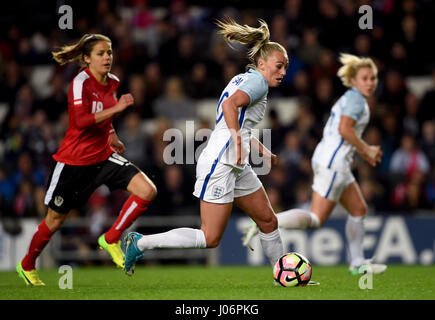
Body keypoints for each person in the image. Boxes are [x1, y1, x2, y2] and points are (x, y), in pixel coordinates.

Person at [124, 18, 288, 276]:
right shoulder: (257, 83)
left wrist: (261, 150)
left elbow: (237, 124)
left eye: (285, 67)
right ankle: (140, 242)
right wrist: (236, 139)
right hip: (221, 163)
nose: (283, 72)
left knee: (268, 220)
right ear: (262, 64)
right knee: (209, 237)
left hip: (236, 164)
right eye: (279, 66)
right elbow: (228, 108)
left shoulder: (243, 79)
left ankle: (283, 276)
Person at [16, 34, 157, 286]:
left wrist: (112, 135)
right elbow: (80, 121)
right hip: (73, 163)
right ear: (86, 58)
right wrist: (117, 108)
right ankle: (27, 265)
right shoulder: (80, 82)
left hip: (102, 157)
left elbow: (103, 117)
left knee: (147, 190)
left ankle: (112, 237)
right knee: (54, 221)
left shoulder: (112, 82)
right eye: (101, 53)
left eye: (110, 52)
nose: (107, 57)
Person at [243, 53, 387, 275]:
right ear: (354, 80)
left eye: (373, 78)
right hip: (333, 163)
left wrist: (361, 150)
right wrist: (366, 148)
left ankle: (358, 263)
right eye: (365, 78)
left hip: (334, 160)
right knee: (316, 218)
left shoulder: (351, 98)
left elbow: (343, 131)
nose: (370, 82)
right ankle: (267, 220)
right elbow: (344, 129)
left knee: (359, 209)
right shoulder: (356, 100)